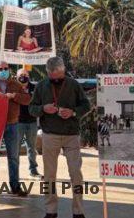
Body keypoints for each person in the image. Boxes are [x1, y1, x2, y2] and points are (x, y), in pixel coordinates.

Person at [29, 57, 90, 218]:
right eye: (53, 76)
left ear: (63, 70)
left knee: (75, 173)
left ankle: (78, 211)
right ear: (48, 72)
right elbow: (32, 109)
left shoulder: (74, 84)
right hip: (50, 135)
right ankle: (51, 211)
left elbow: (86, 105)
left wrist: (73, 112)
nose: (56, 78)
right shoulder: (41, 86)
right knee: (49, 175)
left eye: (60, 75)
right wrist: (43, 108)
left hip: (72, 135)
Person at [0, 61, 30, 198]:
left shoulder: (16, 85)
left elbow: (27, 99)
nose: (3, 70)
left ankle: (15, 186)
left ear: (9, 69)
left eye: (5, 68)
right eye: (0, 69)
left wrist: (14, 96)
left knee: (13, 157)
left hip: (12, 124)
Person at [16, 68, 42, 178]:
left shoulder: (34, 88)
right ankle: (14, 172)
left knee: (31, 147)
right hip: (17, 122)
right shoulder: (13, 88)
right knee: (15, 148)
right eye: (21, 75)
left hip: (31, 122)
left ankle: (33, 170)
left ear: (28, 76)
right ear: (17, 77)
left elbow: (36, 102)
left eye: (25, 74)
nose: (23, 76)